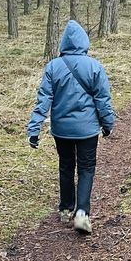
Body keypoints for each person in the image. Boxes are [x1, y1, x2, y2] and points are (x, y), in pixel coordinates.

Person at [26, 19, 116, 234]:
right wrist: (108, 123)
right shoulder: (95, 66)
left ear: (64, 43)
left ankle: (66, 209)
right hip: (87, 130)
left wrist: (34, 128)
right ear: (84, 42)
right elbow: (103, 99)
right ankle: (82, 213)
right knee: (86, 168)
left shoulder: (53, 67)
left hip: (62, 130)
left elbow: (43, 100)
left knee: (66, 166)